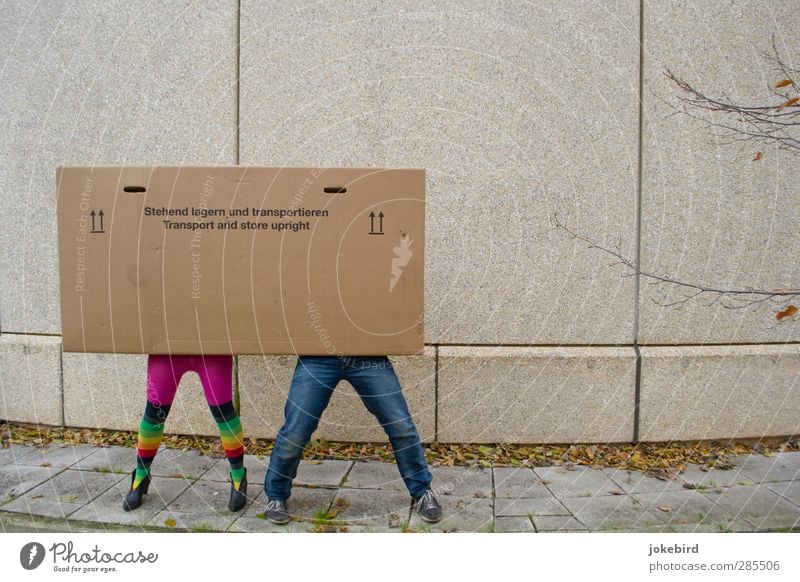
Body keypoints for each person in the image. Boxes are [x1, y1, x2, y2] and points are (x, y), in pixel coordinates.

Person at [263, 355, 441, 524]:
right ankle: (276, 496)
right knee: (295, 431)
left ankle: (422, 491)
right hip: (317, 358)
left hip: (369, 358)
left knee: (402, 427)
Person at [123, 354, 248, 512]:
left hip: (212, 347)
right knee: (154, 414)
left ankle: (238, 479)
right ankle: (140, 479)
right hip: (166, 349)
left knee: (224, 413)